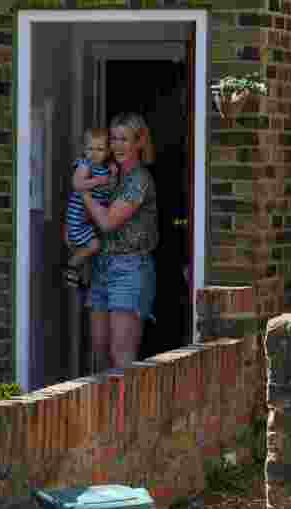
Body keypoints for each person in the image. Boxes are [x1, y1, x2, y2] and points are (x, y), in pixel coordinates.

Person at [80, 112, 159, 371]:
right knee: (98, 352)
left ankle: (126, 412)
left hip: (130, 268)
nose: (117, 145)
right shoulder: (111, 176)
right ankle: (97, 412)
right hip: (103, 265)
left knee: (121, 356)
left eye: (124, 139)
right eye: (113, 139)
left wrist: (84, 192)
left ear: (139, 142)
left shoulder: (139, 180)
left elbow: (107, 222)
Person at [63, 128, 118, 287]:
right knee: (94, 245)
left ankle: (78, 274)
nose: (94, 153)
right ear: (84, 150)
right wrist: (97, 181)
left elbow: (110, 191)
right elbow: (77, 183)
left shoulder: (105, 169)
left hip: (89, 219)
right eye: (90, 149)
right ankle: (70, 267)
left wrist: (112, 176)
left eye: (100, 149)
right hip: (78, 216)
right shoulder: (85, 164)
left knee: (92, 249)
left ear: (107, 151)